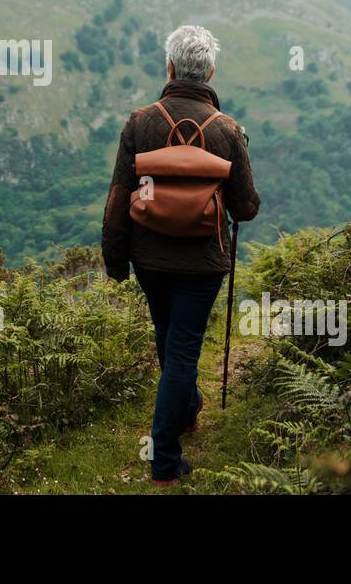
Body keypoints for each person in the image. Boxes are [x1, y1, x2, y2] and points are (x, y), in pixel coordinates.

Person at [101, 24, 260, 485]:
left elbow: (119, 196)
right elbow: (245, 207)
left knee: (168, 335)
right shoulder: (227, 130)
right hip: (203, 262)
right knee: (183, 348)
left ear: (169, 67)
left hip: (149, 257)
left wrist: (116, 261)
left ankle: (185, 412)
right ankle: (165, 459)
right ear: (210, 71)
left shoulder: (140, 122)